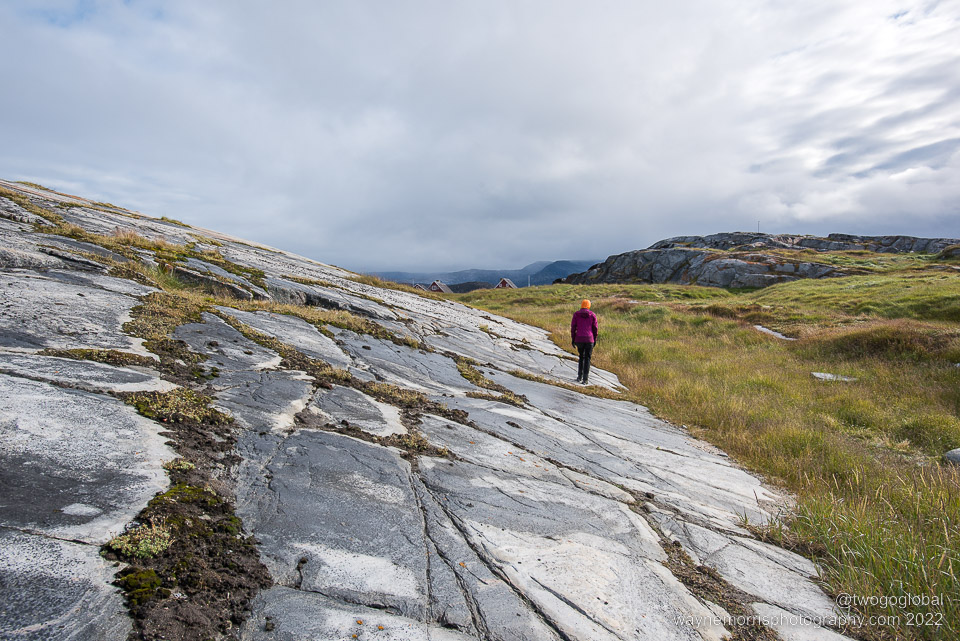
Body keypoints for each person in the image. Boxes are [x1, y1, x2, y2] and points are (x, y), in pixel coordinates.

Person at [570, 299, 598, 384]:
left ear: (581, 305)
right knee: (587, 358)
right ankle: (585, 379)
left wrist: (573, 339)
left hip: (579, 339)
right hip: (589, 339)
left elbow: (573, 328)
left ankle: (579, 376)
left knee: (581, 357)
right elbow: (595, 328)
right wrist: (595, 339)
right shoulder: (592, 315)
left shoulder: (576, 314)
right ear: (589, 306)